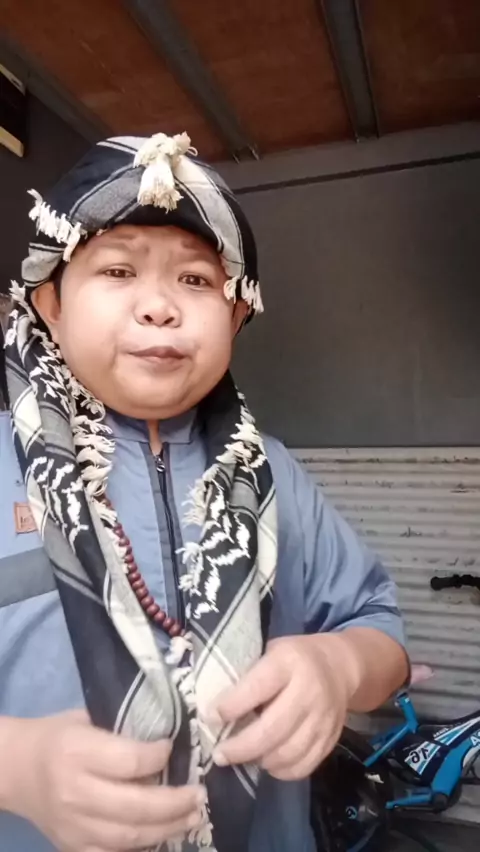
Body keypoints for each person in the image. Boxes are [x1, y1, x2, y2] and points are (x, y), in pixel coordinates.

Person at [0, 131, 408, 852]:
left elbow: (383, 635)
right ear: (51, 303)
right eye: (118, 269)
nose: (159, 306)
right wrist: (16, 766)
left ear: (238, 313)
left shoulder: (277, 476)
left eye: (195, 280)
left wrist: (339, 668)